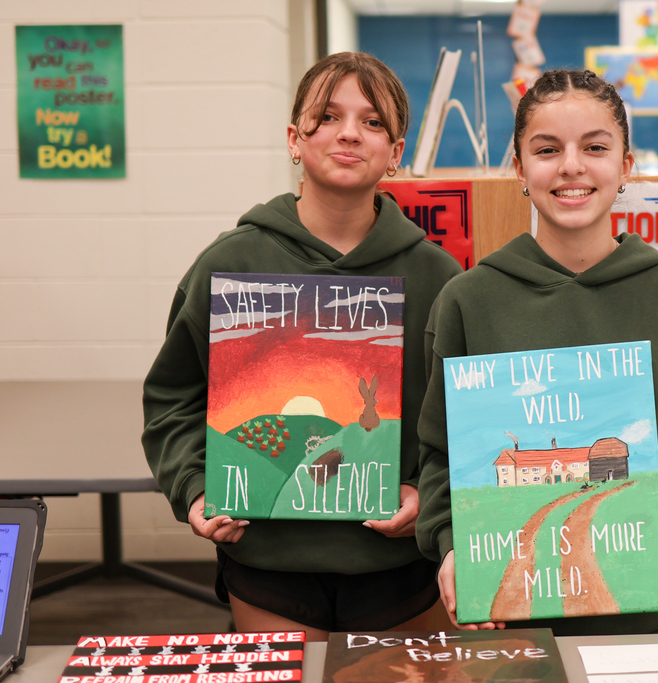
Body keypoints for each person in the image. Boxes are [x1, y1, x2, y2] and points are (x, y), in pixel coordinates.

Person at [414, 69, 658, 635]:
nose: (571, 166)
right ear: (519, 169)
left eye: (595, 147)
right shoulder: (468, 301)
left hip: (639, 606)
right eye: (547, 150)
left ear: (626, 165)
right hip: (508, 613)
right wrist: (452, 547)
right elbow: (441, 453)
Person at [142, 52, 462, 639]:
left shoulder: (439, 276)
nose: (348, 132)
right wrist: (194, 488)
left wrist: (428, 496)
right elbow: (173, 400)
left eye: (372, 121)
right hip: (268, 562)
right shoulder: (229, 263)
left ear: (395, 152)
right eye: (328, 115)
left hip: (399, 568)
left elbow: (461, 423)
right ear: (295, 138)